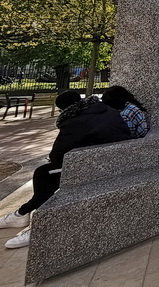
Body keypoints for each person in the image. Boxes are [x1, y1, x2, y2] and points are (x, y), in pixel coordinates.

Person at [0, 91, 131, 249]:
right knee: (49, 172)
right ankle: (23, 213)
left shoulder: (74, 122)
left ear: (64, 109)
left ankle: (35, 220)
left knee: (44, 173)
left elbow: (56, 155)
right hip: (115, 159)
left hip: (96, 166)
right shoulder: (105, 110)